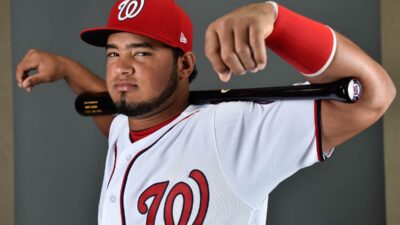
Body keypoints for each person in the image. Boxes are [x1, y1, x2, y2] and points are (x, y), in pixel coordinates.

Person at [15, 0, 395, 224]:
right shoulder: (126, 126)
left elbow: (373, 95)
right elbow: (113, 114)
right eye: (113, 53)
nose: (121, 68)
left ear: (184, 65)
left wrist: (277, 21)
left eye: (142, 52)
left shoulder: (229, 131)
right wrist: (66, 69)